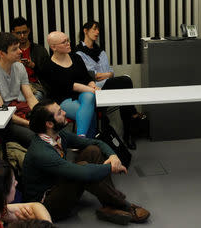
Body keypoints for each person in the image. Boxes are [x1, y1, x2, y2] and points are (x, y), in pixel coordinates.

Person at [22, 99, 150, 224]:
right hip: (45, 208)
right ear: (49, 124)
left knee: (93, 151)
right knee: (83, 169)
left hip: (57, 185)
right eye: (60, 112)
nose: (65, 113)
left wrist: (113, 156)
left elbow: (96, 142)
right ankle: (122, 205)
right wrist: (111, 167)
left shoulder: (57, 135)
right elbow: (84, 173)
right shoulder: (41, 152)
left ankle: (110, 205)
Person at [75, 21, 146, 149]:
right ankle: (133, 118)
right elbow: (92, 75)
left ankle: (128, 133)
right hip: (93, 88)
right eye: (94, 29)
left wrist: (106, 75)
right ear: (85, 31)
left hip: (107, 85)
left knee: (125, 92)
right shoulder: (78, 52)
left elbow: (110, 72)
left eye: (98, 30)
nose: (97, 32)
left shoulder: (101, 52)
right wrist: (106, 75)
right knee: (125, 81)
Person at [0, 32, 38, 148]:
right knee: (35, 137)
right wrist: (30, 124)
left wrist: (41, 116)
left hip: (15, 110)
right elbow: (2, 112)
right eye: (15, 49)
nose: (20, 51)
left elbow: (30, 97)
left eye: (19, 47)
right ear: (1, 53)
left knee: (53, 126)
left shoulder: (19, 67)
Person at [41, 31, 97, 138]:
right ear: (53, 47)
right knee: (90, 113)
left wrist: (92, 84)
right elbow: (70, 85)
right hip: (63, 98)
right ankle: (84, 140)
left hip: (82, 93)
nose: (68, 43)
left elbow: (87, 77)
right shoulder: (48, 65)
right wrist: (92, 90)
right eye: (64, 42)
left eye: (68, 40)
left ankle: (81, 139)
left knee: (89, 97)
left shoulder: (76, 57)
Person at [11, 17, 50, 100]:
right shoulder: (9, 52)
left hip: (35, 86)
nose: (22, 36)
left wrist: (33, 66)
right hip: (15, 86)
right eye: (18, 33)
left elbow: (48, 73)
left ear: (28, 31)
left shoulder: (39, 50)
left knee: (32, 99)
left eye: (24, 32)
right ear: (13, 33)